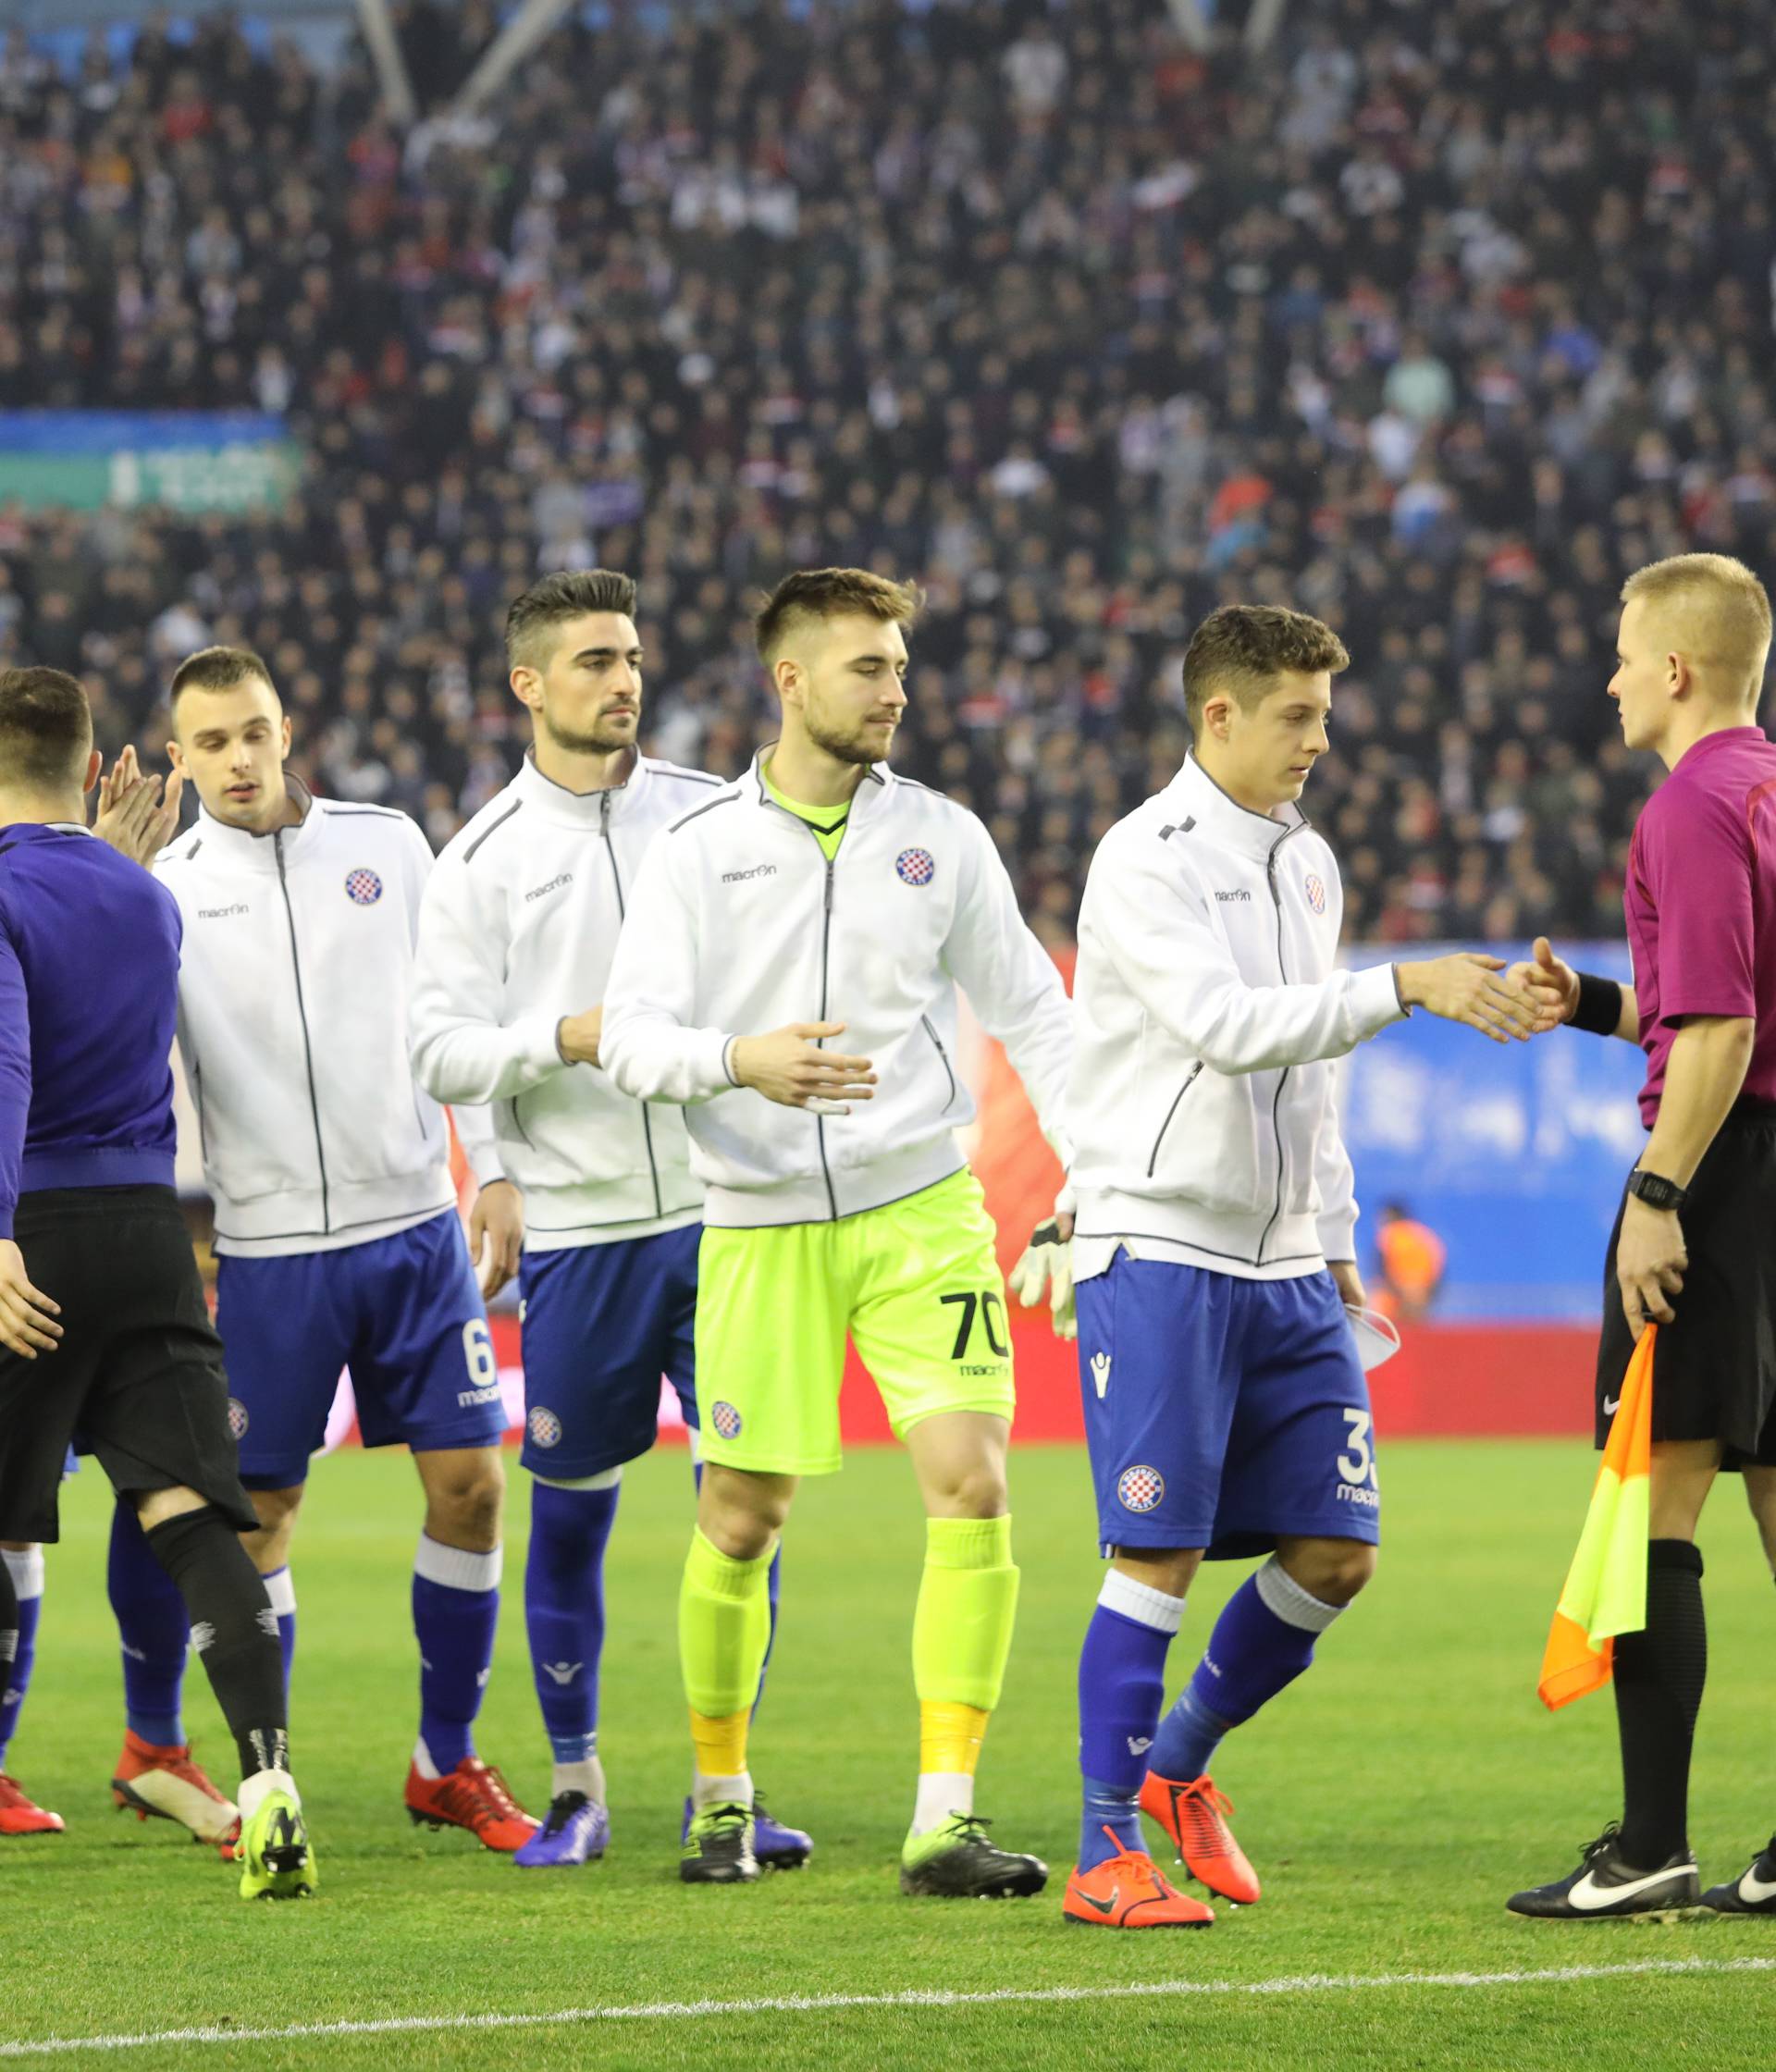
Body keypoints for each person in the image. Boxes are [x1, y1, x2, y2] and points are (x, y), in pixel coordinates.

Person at [1055, 605, 1554, 1929]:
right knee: (1153, 1552)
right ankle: (1104, 1851)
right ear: (1218, 715)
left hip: (1286, 1265)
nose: (1320, 741)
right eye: (1296, 715)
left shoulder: (1310, 861)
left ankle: (1175, 1773)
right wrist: (1406, 986)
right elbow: (1225, 1031)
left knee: (1337, 1553)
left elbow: (1313, 1079)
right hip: (1161, 1240)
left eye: (1325, 715)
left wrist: (1334, 1251)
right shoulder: (1144, 860)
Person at [601, 567, 1075, 1893]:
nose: (898, 689)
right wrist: (737, 1060)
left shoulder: (943, 839)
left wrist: (1090, 1185)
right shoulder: (701, 855)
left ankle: (945, 1816)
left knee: (974, 1483)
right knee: (744, 1518)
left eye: (901, 665)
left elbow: (1040, 1019)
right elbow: (632, 1036)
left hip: (923, 1209)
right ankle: (719, 1797)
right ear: (791, 681)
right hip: (757, 1227)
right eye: (869, 667)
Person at [411, 569, 811, 1871]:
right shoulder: (479, 861)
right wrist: (558, 1049)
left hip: (731, 1213)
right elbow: (437, 1049)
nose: (623, 680)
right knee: (573, 1514)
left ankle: (727, 1787)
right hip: (583, 1238)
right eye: (592, 660)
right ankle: (578, 1788)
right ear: (529, 685)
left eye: (631, 656)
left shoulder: (715, 818)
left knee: (745, 1508)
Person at [108, 645, 535, 1855]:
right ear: (180, 760)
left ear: (287, 729)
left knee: (472, 1488)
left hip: (413, 1231)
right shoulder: (168, 889)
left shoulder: (389, 845)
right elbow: (146, 1069)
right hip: (268, 1250)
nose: (237, 759)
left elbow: (462, 1008)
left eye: (253, 732)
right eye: (210, 743)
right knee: (263, 1517)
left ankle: (442, 1760)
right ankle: (271, 1774)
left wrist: (490, 1163)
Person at [0, 665, 314, 1899]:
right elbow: (100, 916)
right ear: (92, 766)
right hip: (147, 1230)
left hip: (35, 1226)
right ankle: (269, 1774)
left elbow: (6, 1062)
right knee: (191, 1518)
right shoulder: (150, 898)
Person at [1507, 552, 1776, 1920]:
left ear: (1676, 670)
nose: (1609, 678)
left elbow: (1724, 1031)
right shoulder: (1771, 791)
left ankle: (1651, 1845)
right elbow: (1719, 1004)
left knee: (1654, 1500)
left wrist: (1661, 1196)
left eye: (1623, 654)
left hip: (1722, 1175)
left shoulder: (1686, 806)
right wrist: (1596, 1007)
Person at [1372, 1202, 1447, 1323]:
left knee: (1389, 1334)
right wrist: (1426, 1294)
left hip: (1394, 1298)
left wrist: (1401, 1293)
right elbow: (1438, 1267)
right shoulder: (1424, 1235)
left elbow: (1381, 1267)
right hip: (1421, 1296)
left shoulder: (1390, 1234)